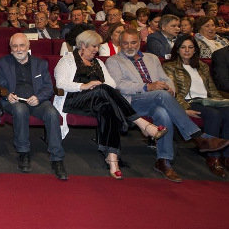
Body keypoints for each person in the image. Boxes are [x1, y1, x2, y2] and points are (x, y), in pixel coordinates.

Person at [106, 29, 229, 182]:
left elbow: (165, 78)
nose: (130, 46)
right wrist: (147, 87)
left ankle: (163, 161)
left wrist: (170, 87)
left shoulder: (152, 58)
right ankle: (197, 136)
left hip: (156, 100)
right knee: (161, 95)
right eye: (125, 43)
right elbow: (120, 85)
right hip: (132, 102)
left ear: (139, 42)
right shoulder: (114, 61)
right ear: (119, 43)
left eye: (133, 42)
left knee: (163, 113)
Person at [54, 30, 168, 180]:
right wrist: (85, 85)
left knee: (108, 107)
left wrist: (97, 87)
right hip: (74, 100)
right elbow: (60, 83)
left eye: (98, 46)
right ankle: (141, 123)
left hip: (97, 101)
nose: (97, 50)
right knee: (102, 89)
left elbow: (112, 84)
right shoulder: (67, 60)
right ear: (82, 45)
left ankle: (112, 158)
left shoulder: (99, 62)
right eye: (93, 46)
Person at [0, 33, 67, 179]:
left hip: (36, 100)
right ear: (10, 48)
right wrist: (7, 94)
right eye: (14, 46)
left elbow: (48, 87)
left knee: (52, 113)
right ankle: (23, 153)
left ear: (28, 46)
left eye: (22, 45)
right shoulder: (3, 63)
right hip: (14, 101)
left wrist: (38, 98)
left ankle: (57, 158)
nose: (18, 49)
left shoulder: (40, 64)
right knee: (20, 110)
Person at [163, 35, 229, 177]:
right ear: (177, 49)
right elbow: (174, 92)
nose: (187, 50)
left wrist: (221, 102)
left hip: (207, 101)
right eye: (183, 47)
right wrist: (184, 108)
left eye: (190, 47)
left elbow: (211, 89)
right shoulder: (170, 66)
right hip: (190, 102)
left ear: (195, 50)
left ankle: (227, 156)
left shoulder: (202, 66)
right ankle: (213, 157)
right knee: (214, 114)